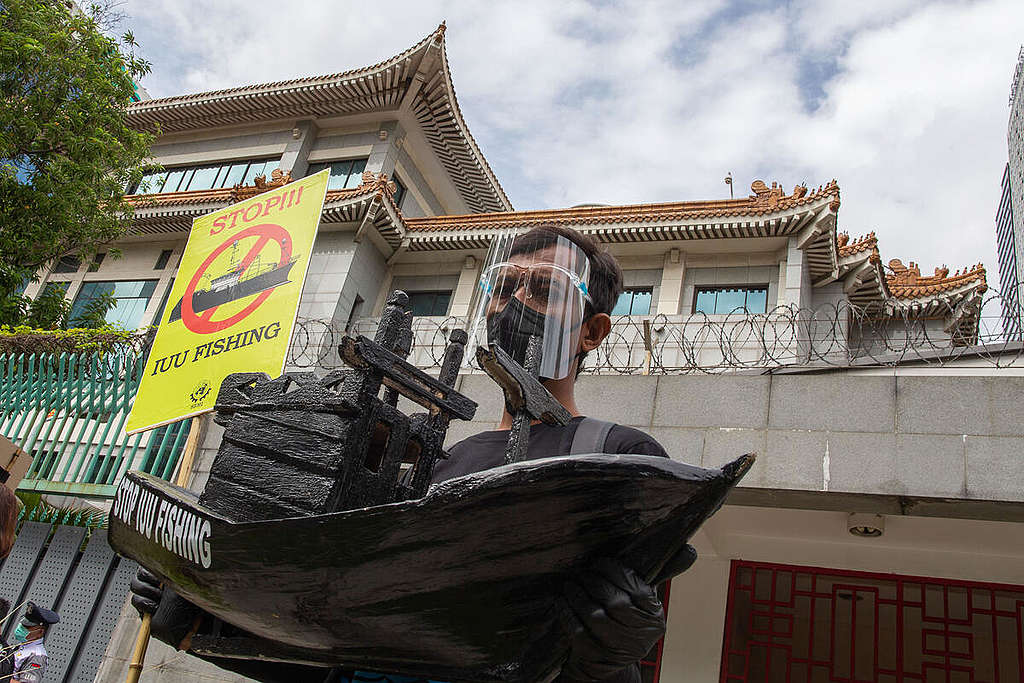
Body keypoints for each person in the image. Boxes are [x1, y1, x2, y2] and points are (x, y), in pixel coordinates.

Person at [131, 225, 697, 682]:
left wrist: (608, 658)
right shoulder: (442, 465)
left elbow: (587, 647)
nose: (514, 305)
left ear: (592, 332)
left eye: (543, 290)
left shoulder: (613, 457)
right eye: (503, 288)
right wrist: (192, 603)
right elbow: (348, 641)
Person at [10, 601, 59, 683]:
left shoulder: (37, 656)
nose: (21, 628)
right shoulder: (22, 646)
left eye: (27, 627)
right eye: (22, 624)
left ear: (40, 632)